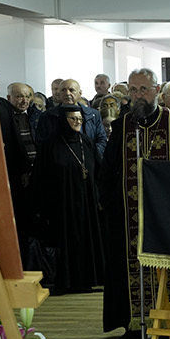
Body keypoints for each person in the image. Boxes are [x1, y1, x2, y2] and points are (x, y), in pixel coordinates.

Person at [100, 68, 170, 339]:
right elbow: (108, 169)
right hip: (128, 215)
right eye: (133, 90)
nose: (138, 95)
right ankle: (135, 325)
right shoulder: (122, 126)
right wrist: (110, 203)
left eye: (143, 89)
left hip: (169, 215)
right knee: (130, 267)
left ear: (156, 91)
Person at [32, 105, 105, 294]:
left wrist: (99, 196)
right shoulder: (50, 145)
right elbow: (40, 177)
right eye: (73, 119)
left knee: (86, 239)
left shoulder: (86, 141)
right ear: (63, 121)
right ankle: (65, 282)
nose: (77, 122)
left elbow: (99, 171)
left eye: (80, 119)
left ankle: (86, 280)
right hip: (62, 204)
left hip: (86, 203)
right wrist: (44, 207)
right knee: (65, 242)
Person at [2, 82, 40, 259]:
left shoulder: (35, 117)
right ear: (9, 98)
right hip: (17, 177)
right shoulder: (4, 119)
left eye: (27, 96)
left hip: (37, 173)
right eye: (19, 96)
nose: (24, 100)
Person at [36, 77, 107, 158]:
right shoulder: (47, 116)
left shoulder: (93, 114)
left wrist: (90, 155)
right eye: (63, 90)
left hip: (89, 159)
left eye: (71, 90)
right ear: (59, 93)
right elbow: (41, 143)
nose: (67, 93)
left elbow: (101, 140)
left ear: (80, 93)